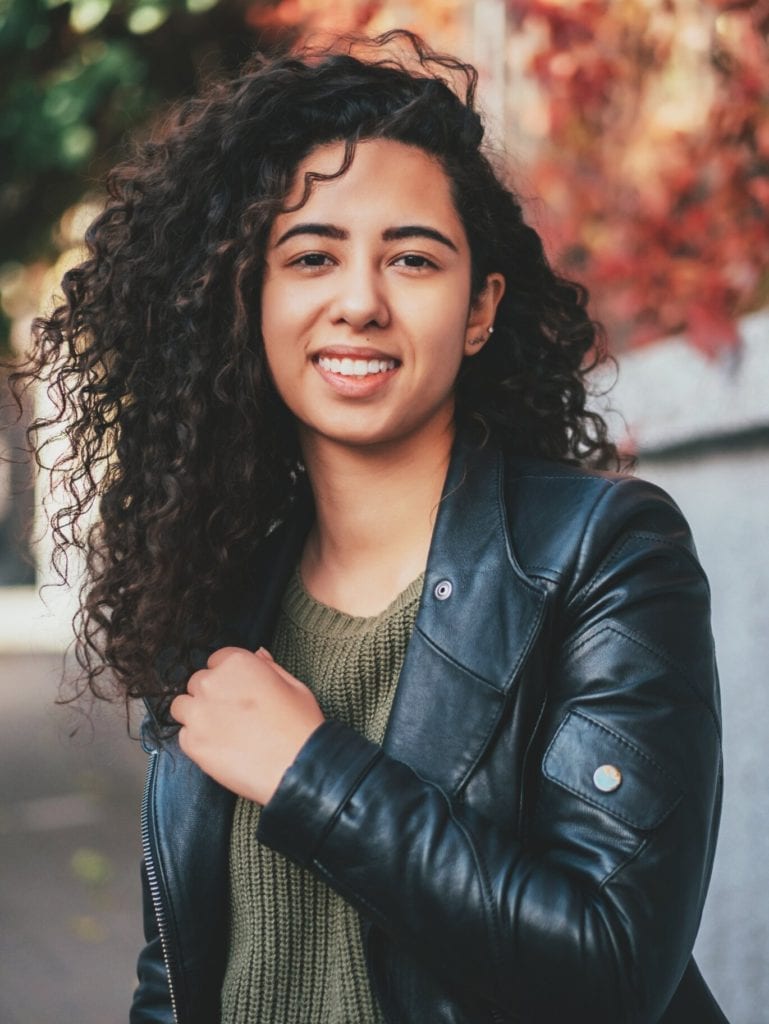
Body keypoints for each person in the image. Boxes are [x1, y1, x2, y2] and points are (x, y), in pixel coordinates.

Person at [14, 30, 727, 1024]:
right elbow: (174, 974)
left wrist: (309, 771)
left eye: (413, 259)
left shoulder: (600, 555)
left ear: (479, 310)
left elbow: (609, 972)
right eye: (310, 256)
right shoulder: (217, 583)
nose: (358, 302)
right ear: (249, 298)